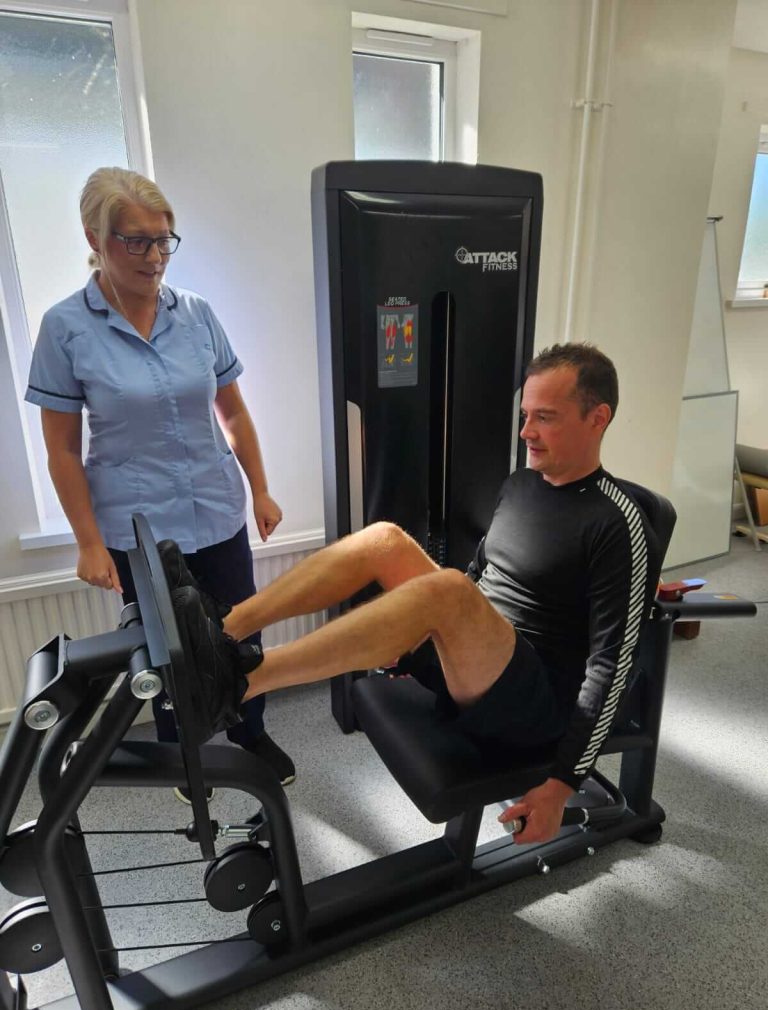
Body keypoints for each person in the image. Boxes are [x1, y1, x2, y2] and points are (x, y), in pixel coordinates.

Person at [168, 343, 659, 843]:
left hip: (536, 708)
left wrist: (560, 785)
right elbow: (481, 574)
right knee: (386, 539)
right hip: (477, 663)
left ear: (598, 418)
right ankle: (223, 630)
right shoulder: (522, 484)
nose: (526, 432)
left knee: (447, 590)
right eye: (525, 415)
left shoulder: (617, 523)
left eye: (545, 418)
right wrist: (417, 636)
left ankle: (235, 685)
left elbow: (612, 667)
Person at [25, 166, 295, 797]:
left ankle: (250, 731)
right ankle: (183, 755)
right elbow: (62, 450)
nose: (154, 257)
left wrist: (260, 487)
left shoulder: (196, 313)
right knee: (168, 649)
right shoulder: (66, 328)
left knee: (240, 627)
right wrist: (88, 541)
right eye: (135, 241)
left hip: (216, 509)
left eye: (164, 240)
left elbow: (233, 410)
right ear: (94, 237)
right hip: (137, 527)